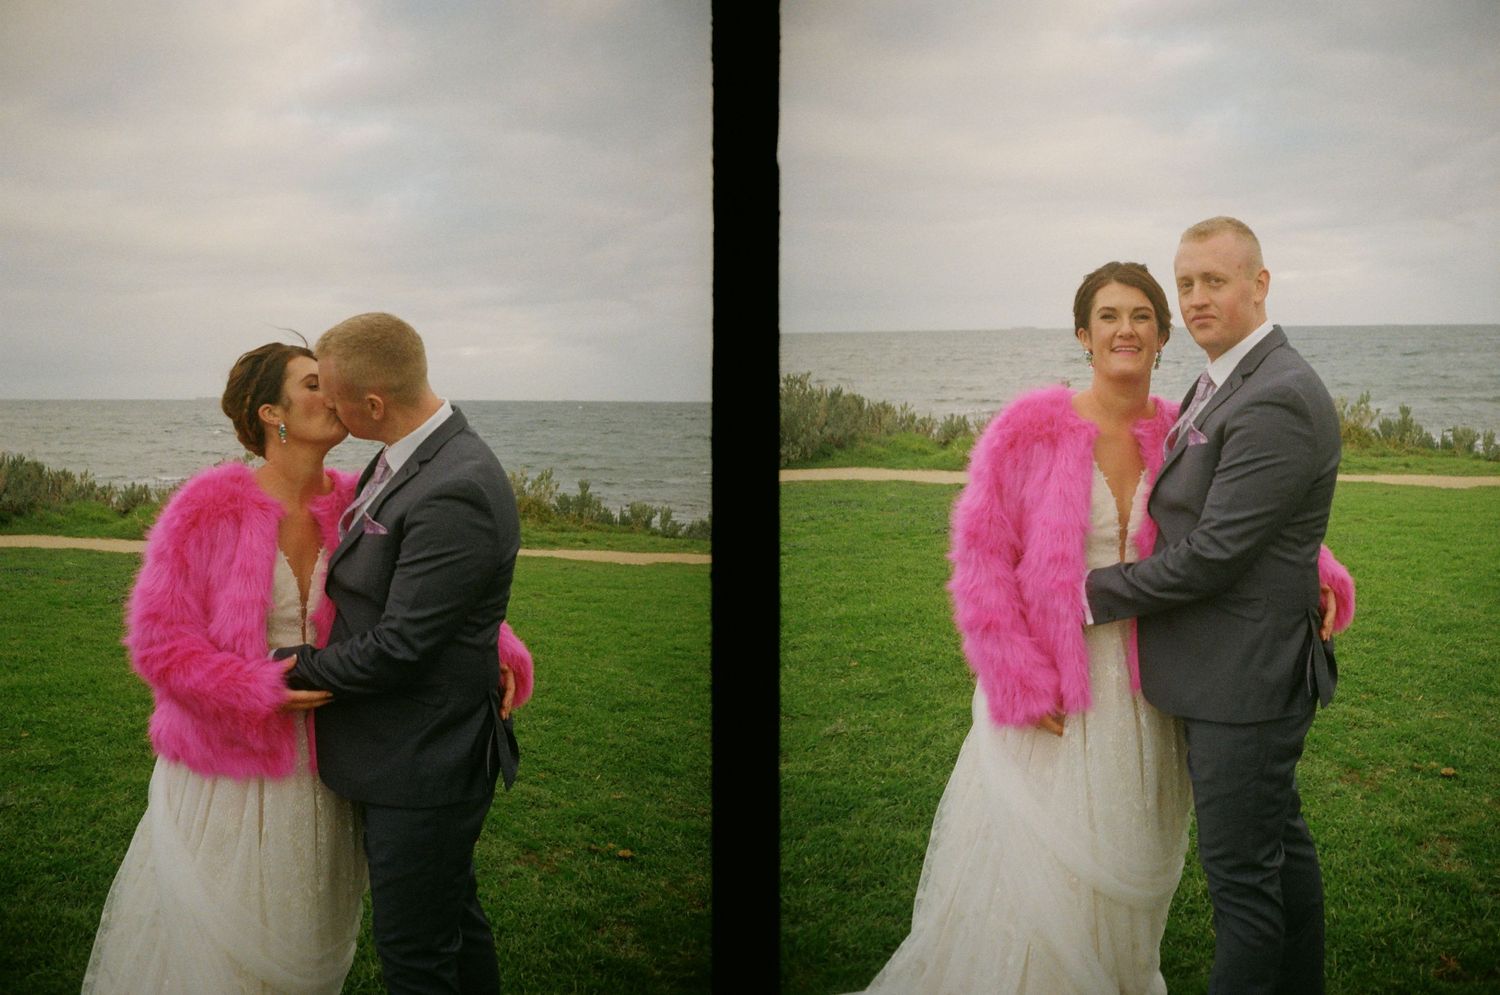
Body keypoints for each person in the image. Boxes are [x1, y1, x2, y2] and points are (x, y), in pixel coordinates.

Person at [851, 261, 1354, 994]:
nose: (1126, 329)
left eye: (1143, 316)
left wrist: (1320, 565)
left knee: (1128, 853)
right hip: (1054, 676)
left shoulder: (1178, 425)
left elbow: (1235, 521)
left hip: (1154, 677)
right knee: (1045, 869)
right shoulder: (1030, 431)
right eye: (1109, 316)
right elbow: (981, 564)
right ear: (1084, 336)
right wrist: (1018, 677)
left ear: (1162, 337)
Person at [83, 342, 533, 993]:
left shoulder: (364, 499)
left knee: (303, 940)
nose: (337, 391)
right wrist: (253, 687)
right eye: (316, 383)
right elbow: (159, 644)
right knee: (223, 946)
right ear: (272, 412)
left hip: (332, 761)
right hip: (228, 768)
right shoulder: (207, 507)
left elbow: (432, 596)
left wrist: (499, 642)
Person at [1085, 219, 1344, 993]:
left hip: (1246, 684)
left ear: (1258, 284)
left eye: (1216, 280)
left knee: (1242, 889)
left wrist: (1085, 592)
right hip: (1229, 673)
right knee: (1278, 857)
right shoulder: (1221, 378)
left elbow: (1212, 556)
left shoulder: (1277, 396)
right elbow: (1231, 524)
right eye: (1186, 282)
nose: (1197, 298)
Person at [276, 312, 522, 994]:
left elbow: (401, 646)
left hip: (425, 759)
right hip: (406, 748)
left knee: (416, 955)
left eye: (333, 393)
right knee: (453, 921)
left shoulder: (456, 486)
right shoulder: (406, 455)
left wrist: (286, 667)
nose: (327, 404)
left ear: (373, 404)